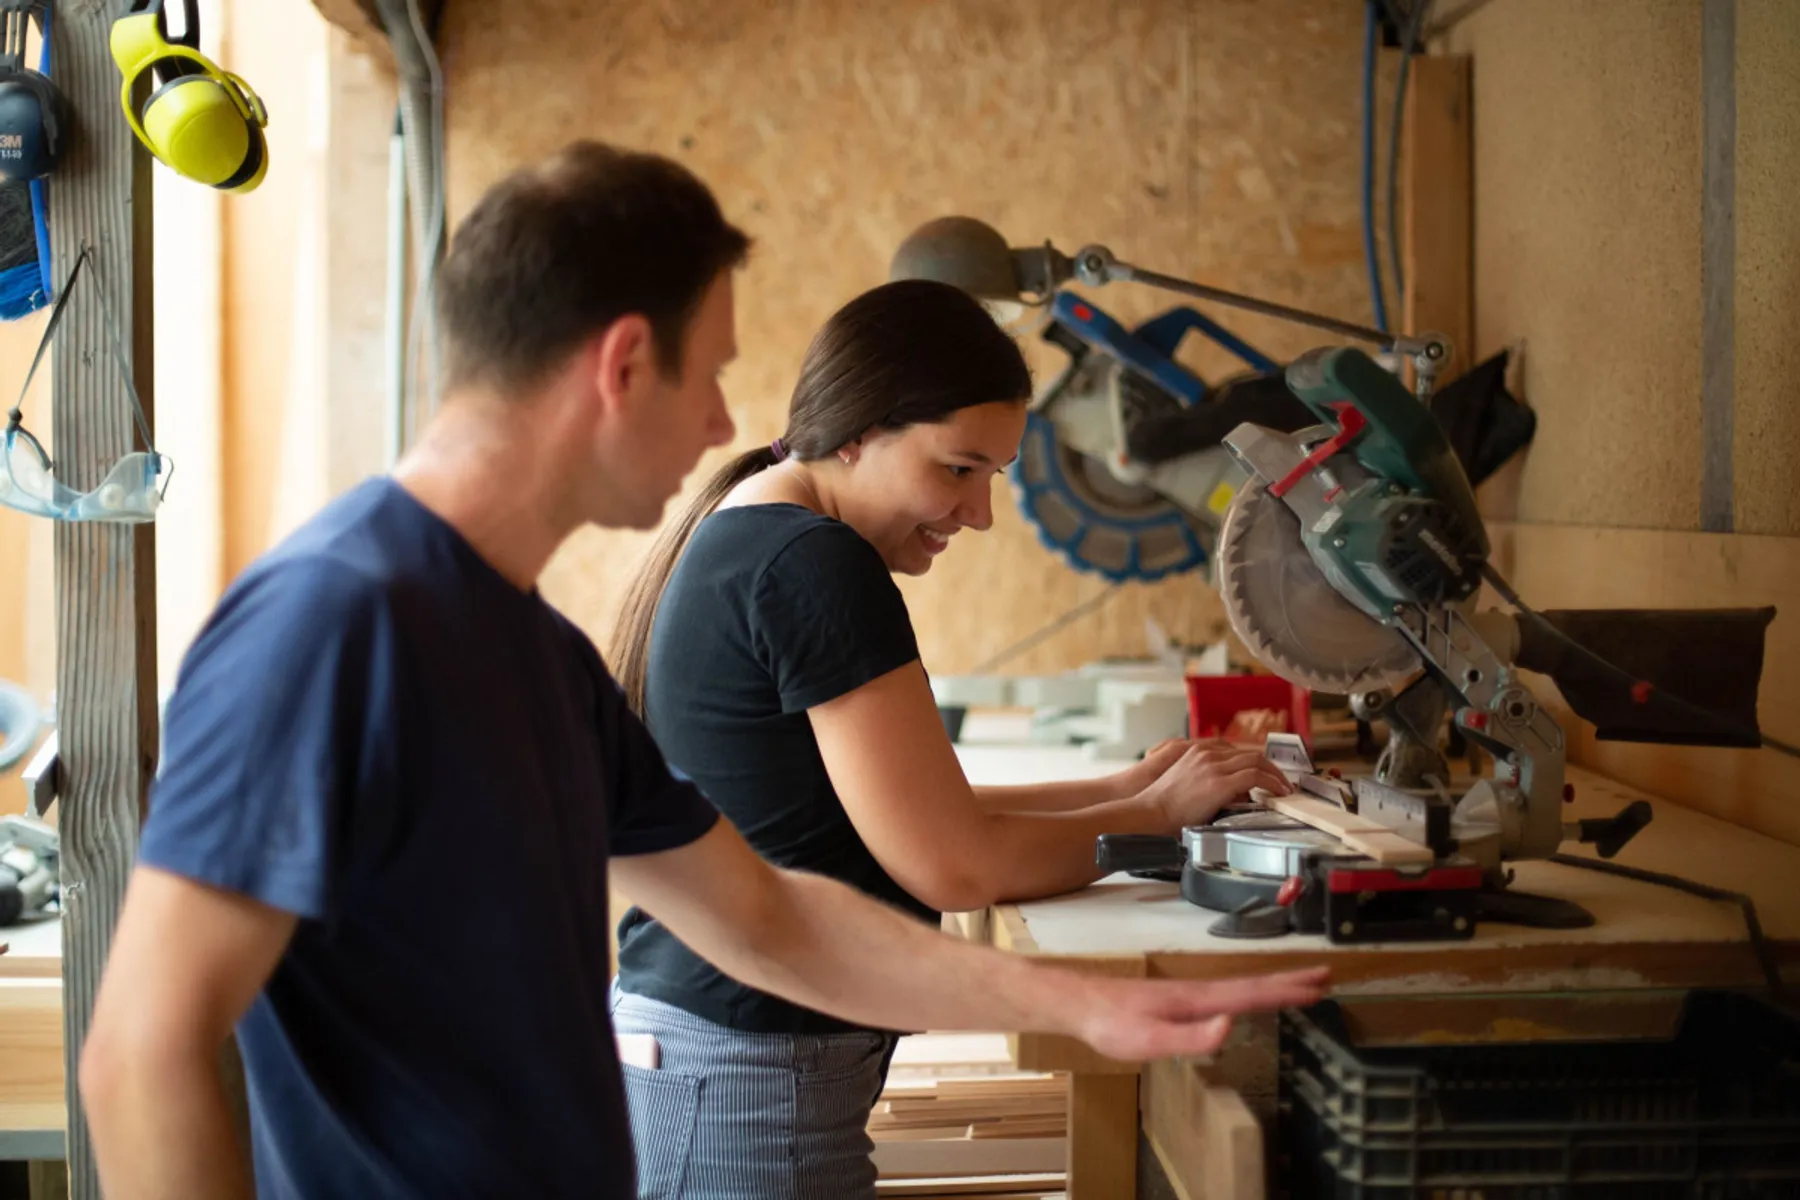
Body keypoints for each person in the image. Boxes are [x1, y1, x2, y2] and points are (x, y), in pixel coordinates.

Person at [76, 140, 1329, 1200]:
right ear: (623, 364)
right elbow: (141, 1051)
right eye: (715, 372)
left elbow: (773, 918)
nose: (730, 427)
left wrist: (1082, 1004)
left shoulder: (533, 652)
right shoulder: (334, 621)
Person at [606, 277, 1304, 1197]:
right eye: (957, 468)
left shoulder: (755, 534)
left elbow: (903, 816)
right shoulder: (817, 565)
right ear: (857, 431)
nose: (976, 514)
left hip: (716, 1053)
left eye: (993, 479)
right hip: (746, 1076)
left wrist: (1135, 790)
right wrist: (1159, 824)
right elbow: (952, 865)